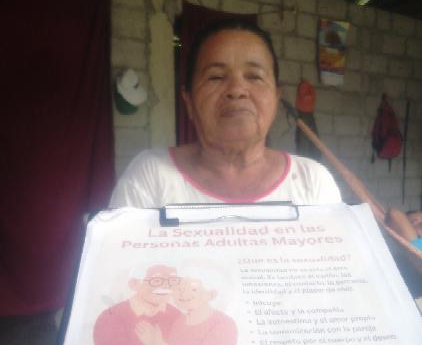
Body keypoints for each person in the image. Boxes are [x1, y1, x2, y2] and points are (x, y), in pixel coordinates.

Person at [110, 19, 342, 209]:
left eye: (254, 76)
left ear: (275, 97)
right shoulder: (151, 176)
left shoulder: (312, 181)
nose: (237, 90)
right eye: (216, 77)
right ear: (188, 101)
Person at [136, 272, 237, 345]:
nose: (184, 294)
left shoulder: (223, 324)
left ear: (211, 294)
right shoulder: (178, 320)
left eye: (193, 289)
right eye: (179, 289)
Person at [93, 265, 180, 345]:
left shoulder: (177, 316)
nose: (166, 286)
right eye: (156, 280)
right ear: (133, 284)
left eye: (172, 280)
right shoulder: (110, 318)